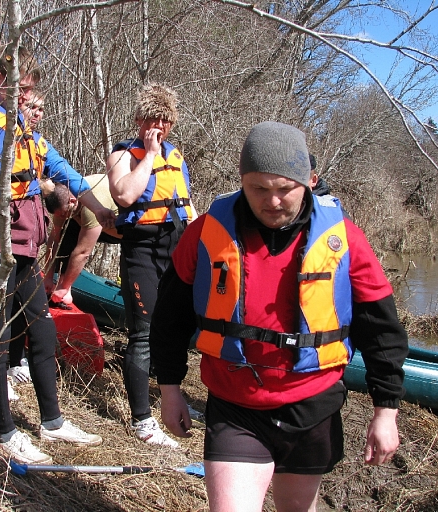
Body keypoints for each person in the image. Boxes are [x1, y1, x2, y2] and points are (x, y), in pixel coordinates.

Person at [149, 121, 408, 511]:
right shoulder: (205, 233)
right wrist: (170, 391)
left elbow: (381, 330)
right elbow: (169, 319)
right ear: (241, 181)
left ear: (310, 180)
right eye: (259, 189)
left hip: (312, 406)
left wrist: (386, 411)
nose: (272, 201)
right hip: (235, 405)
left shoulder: (345, 240)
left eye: (285, 189)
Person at [0, 46, 112, 465]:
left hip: (24, 252)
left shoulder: (21, 129)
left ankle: (52, 421)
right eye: (22, 89)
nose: (27, 99)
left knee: (42, 332)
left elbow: (63, 171)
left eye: (31, 90)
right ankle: (5, 432)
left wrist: (104, 214)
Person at [107, 83, 197, 448]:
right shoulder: (122, 154)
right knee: (142, 334)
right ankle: (142, 421)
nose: (159, 126)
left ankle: (169, 398)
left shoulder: (177, 158)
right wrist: (149, 154)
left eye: (165, 120)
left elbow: (186, 207)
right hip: (141, 249)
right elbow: (126, 194)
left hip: (175, 249)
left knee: (173, 329)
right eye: (151, 119)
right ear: (139, 120)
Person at [43, 174, 121, 307]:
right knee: (66, 230)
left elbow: (83, 252)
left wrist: (65, 286)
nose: (62, 217)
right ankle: (58, 283)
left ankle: (65, 289)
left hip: (122, 230)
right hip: (100, 223)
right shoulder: (63, 201)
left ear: (72, 201)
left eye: (63, 213)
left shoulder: (91, 206)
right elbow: (54, 240)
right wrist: (47, 277)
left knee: (74, 231)